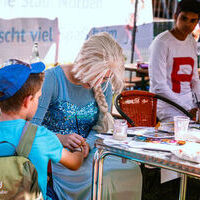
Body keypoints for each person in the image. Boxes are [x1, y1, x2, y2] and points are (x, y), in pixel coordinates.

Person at [32, 32, 142, 200]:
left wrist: (87, 145)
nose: (101, 83)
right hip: (57, 155)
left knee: (129, 170)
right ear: (85, 63)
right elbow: (31, 127)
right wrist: (61, 139)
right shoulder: (52, 79)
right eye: (98, 77)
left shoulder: (104, 84)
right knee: (102, 176)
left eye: (106, 78)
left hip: (89, 152)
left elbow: (100, 127)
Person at [0, 59, 86, 200]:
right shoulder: (39, 136)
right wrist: (79, 149)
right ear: (28, 101)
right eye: (38, 97)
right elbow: (74, 163)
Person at [149, 0, 200, 122]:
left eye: (193, 21)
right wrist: (187, 108)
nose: (188, 24)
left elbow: (194, 79)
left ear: (197, 22)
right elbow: (159, 86)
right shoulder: (161, 43)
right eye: (184, 18)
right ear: (175, 17)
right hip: (167, 107)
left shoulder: (191, 41)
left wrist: (198, 104)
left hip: (190, 106)